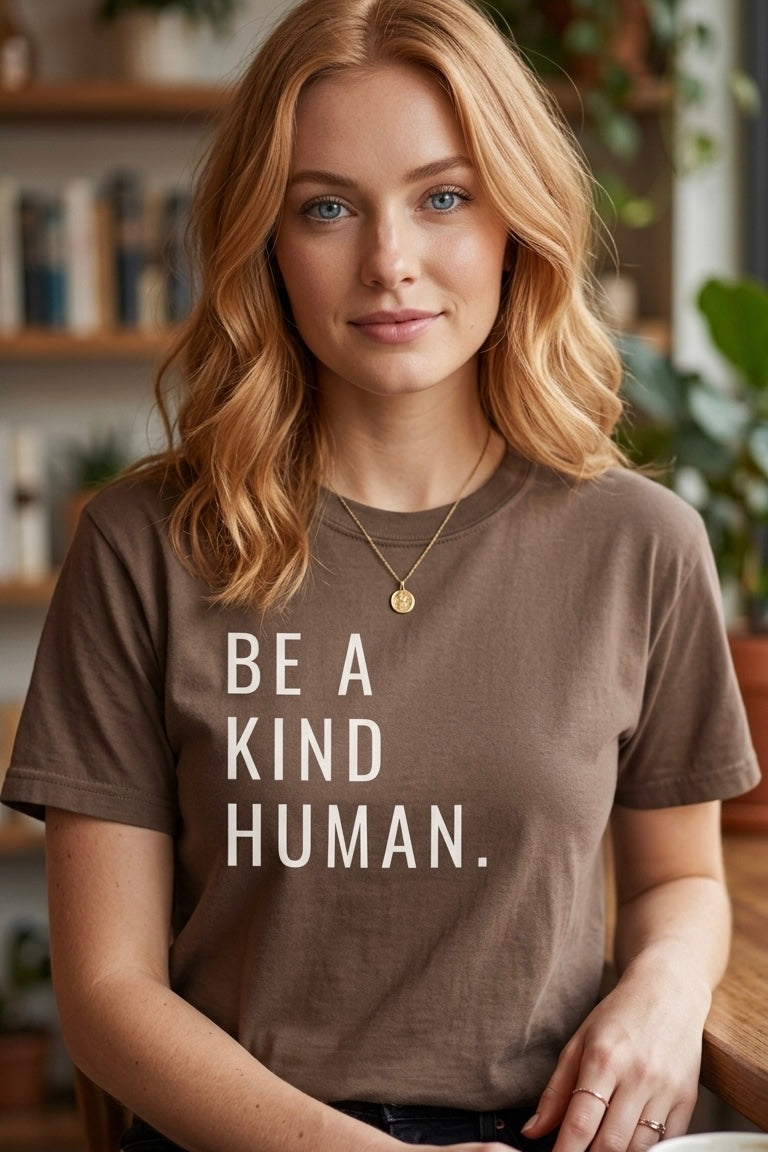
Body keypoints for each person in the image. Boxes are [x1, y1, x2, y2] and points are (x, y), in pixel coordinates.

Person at [1, 1, 760, 1150]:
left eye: (443, 196)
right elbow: (108, 999)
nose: (390, 263)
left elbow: (680, 883)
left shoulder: (642, 545)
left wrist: (662, 995)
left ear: (518, 221)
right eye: (327, 208)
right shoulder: (140, 546)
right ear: (267, 241)